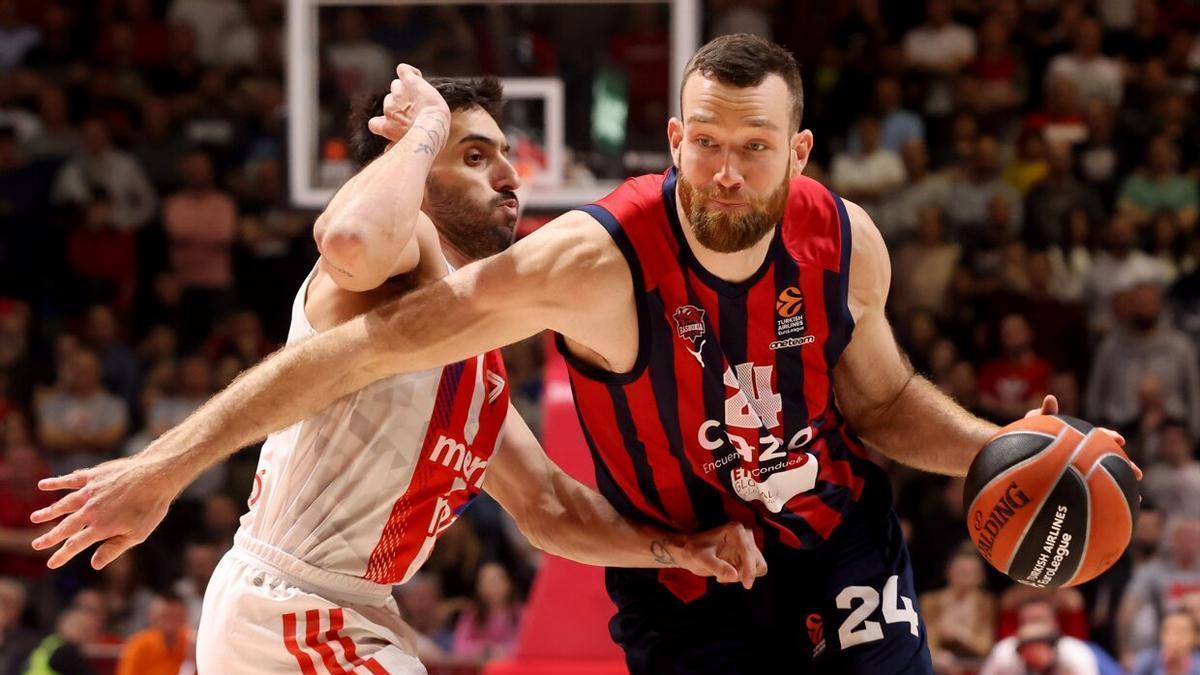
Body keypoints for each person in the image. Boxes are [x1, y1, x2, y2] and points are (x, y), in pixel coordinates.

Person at [34, 36, 1129, 674]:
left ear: (796, 152)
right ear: (676, 143)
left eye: (757, 148)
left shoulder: (840, 242)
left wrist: (1001, 452)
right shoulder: (523, 265)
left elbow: (555, 506)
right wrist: (165, 467)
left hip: (819, 541)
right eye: (709, 143)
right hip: (307, 602)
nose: (731, 172)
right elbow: (352, 314)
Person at [32, 71, 762, 675]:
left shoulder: (475, 363)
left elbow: (548, 508)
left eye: (506, 154)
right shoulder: (404, 253)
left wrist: (679, 549)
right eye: (474, 155)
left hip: (343, 609)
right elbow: (349, 234)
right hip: (290, 604)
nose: (509, 173)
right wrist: (424, 128)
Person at [1131, 609, 1200, 675]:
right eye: (1168, 631)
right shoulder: (1147, 661)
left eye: (1182, 632)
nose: (1174, 639)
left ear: (1196, 637)